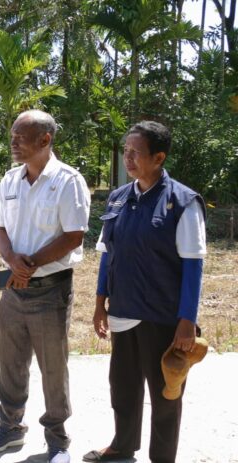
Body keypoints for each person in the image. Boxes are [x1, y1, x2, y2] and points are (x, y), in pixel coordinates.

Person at [83, 121, 206, 463]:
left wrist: (187, 320)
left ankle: (162, 457)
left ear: (159, 157)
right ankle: (123, 445)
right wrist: (99, 303)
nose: (129, 159)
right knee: (122, 386)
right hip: (123, 309)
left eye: (136, 152)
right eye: (126, 152)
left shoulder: (182, 202)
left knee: (166, 391)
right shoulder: (119, 198)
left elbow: (193, 266)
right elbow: (108, 253)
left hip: (162, 315)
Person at [0, 110, 90, 463]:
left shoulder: (68, 181)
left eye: (21, 136)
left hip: (50, 290)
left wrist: (32, 264)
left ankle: (58, 440)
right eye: (12, 135)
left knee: (52, 367)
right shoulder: (11, 180)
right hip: (14, 288)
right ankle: (11, 427)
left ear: (45, 140)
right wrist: (13, 259)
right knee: (10, 362)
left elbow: (74, 236)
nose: (13, 142)